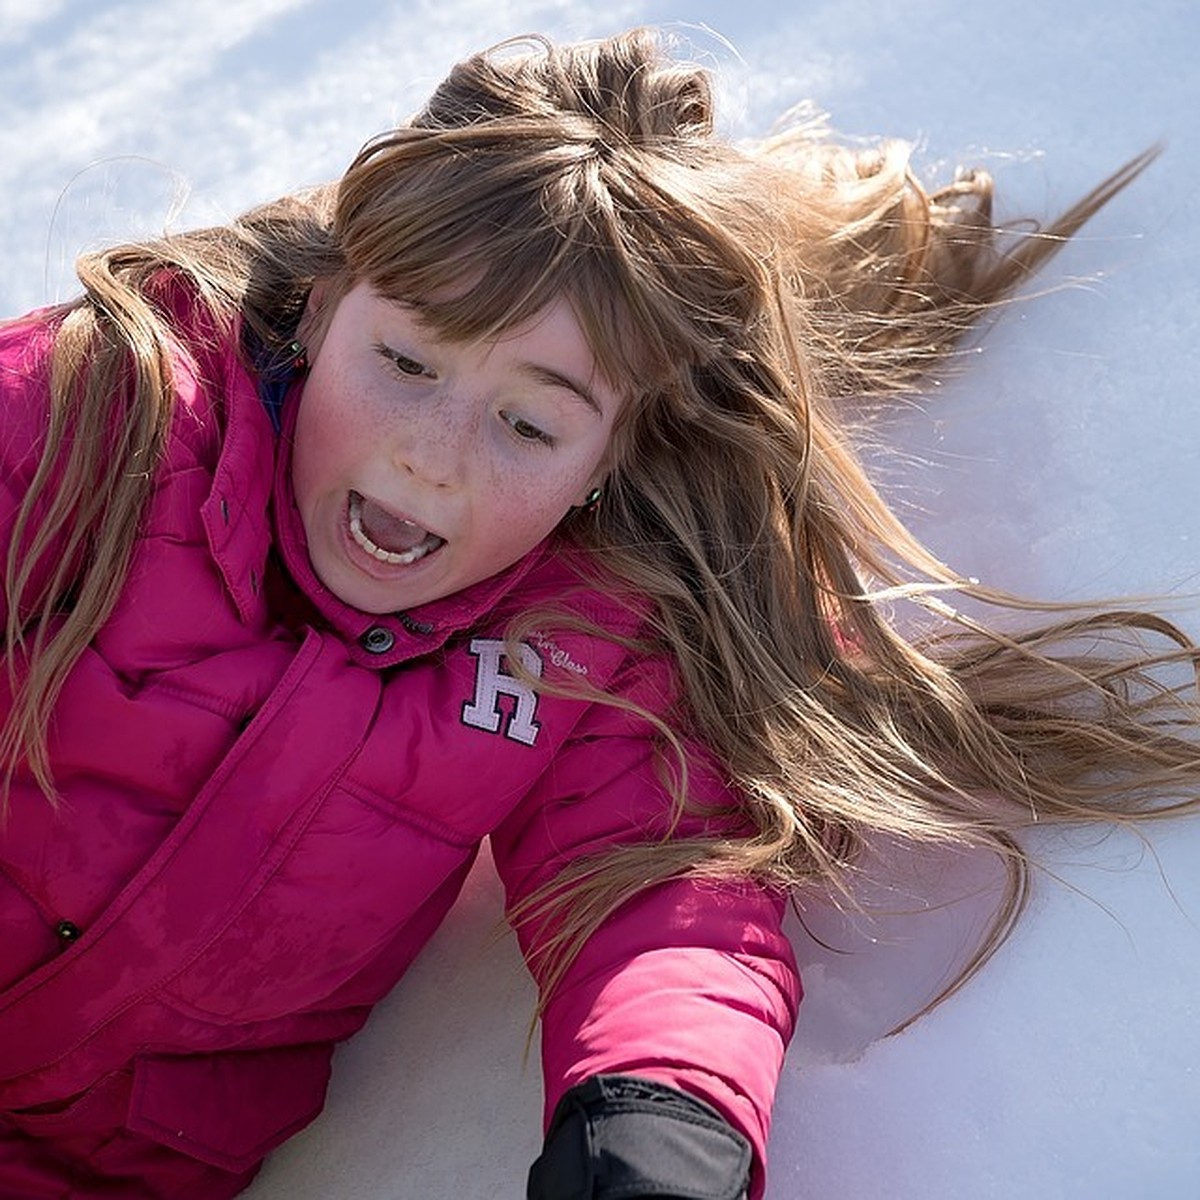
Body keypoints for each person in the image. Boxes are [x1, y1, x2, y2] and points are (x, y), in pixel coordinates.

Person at [1, 24, 1196, 1200]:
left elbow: (662, 888)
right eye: (407, 364)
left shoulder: (588, 631)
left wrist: (658, 1122)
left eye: (529, 424)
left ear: (616, 452)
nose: (432, 457)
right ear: (320, 308)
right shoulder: (104, 414)